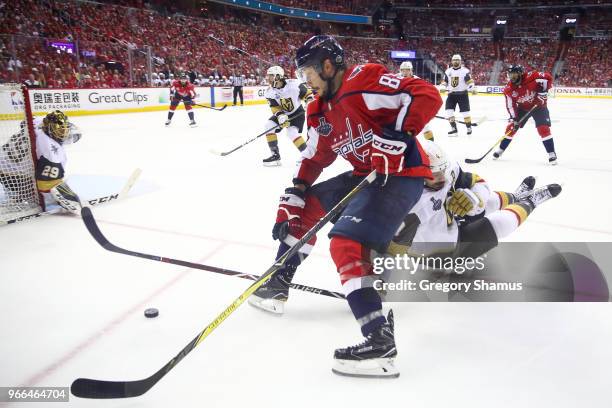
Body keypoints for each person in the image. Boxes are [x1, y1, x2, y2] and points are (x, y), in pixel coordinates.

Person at [248, 35, 442, 378]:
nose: (304, 80)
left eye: (308, 72)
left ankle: (379, 342)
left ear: (327, 65)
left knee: (344, 241)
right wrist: (296, 191)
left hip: (401, 174)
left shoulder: (362, 80)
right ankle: (279, 281)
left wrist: (398, 135)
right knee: (302, 208)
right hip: (365, 174)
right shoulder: (317, 109)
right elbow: (314, 157)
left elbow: (425, 94)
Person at [388, 140, 562, 258]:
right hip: (443, 251)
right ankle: (531, 201)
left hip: (450, 220)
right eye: (434, 174)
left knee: (484, 200)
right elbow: (391, 253)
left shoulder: (447, 170)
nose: (442, 177)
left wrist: (475, 197)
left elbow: (479, 182)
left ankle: (517, 196)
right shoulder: (409, 204)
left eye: (443, 170)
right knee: (501, 224)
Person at [0, 110, 83, 215]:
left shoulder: (38, 122)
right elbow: (46, 184)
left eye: (65, 131)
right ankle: (21, 196)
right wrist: (70, 199)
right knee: (50, 185)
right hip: (13, 178)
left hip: (3, 161)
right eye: (60, 131)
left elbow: (25, 122)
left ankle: (18, 192)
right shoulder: (50, 150)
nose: (64, 135)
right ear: (50, 128)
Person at [494, 65, 557, 165]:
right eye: (510, 74)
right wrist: (514, 119)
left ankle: (551, 153)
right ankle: (501, 149)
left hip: (539, 106)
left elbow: (548, 78)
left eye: (514, 74)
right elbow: (511, 105)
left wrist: (544, 92)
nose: (511, 77)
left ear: (520, 73)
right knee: (511, 128)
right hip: (523, 108)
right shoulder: (508, 89)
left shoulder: (532, 76)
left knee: (543, 129)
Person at [260, 65, 311, 166]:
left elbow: (308, 95)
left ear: (278, 76)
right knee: (268, 126)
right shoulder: (269, 92)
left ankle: (308, 156)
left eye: (270, 76)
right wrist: (280, 116)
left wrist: (309, 102)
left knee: (291, 132)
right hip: (283, 114)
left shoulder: (294, 84)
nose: (268, 78)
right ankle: (275, 156)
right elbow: (274, 107)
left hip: (296, 113)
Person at [439, 54, 477, 136]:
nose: (455, 61)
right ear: (452, 61)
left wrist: (472, 88)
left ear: (460, 61)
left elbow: (469, 82)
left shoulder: (465, 71)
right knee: (449, 112)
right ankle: (454, 129)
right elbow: (444, 81)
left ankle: (468, 127)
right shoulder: (448, 71)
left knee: (465, 113)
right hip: (451, 95)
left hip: (462, 94)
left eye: (457, 60)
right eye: (454, 60)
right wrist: (442, 87)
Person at [398, 61, 435, 141]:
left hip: (415, 107)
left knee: (424, 126)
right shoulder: (397, 79)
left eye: (407, 70)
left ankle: (432, 144)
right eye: (403, 70)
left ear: (411, 70)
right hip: (401, 107)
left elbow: (425, 95)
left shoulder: (418, 81)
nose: (405, 72)